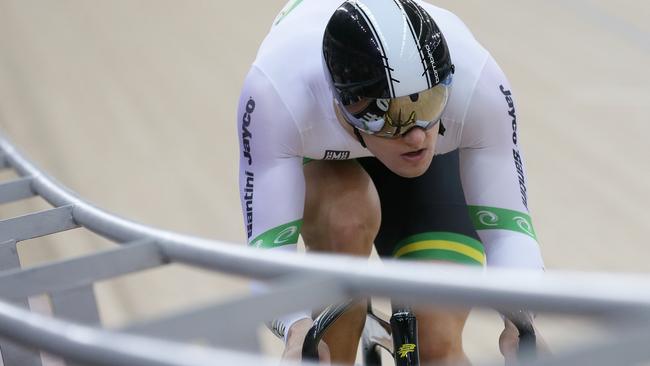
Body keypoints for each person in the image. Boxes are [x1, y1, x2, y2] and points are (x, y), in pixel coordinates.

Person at [237, 0, 545, 364]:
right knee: (347, 220)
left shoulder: (478, 84)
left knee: (438, 343)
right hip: (322, 155)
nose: (416, 136)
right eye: (387, 116)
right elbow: (270, 249)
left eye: (428, 104)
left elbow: (509, 230)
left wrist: (521, 320)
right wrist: (295, 326)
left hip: (416, 163)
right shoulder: (277, 95)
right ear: (341, 101)